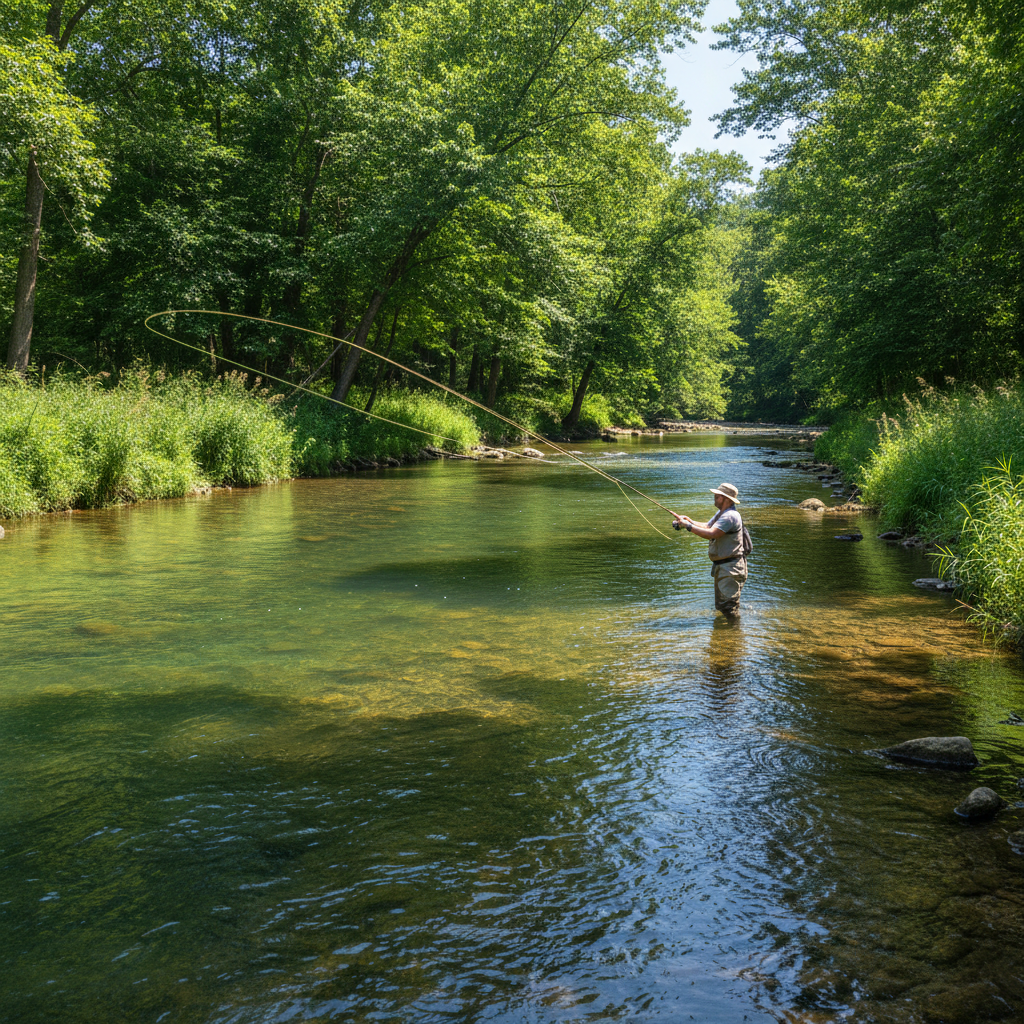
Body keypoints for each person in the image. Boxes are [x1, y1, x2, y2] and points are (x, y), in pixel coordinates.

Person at [672, 483, 747, 618]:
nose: (714, 497)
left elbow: (711, 533)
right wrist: (689, 521)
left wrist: (688, 526)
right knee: (722, 607)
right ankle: (728, 637)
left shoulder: (730, 516)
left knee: (728, 609)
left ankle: (734, 635)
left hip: (730, 568)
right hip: (725, 567)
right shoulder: (722, 513)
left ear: (727, 499)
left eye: (717, 496)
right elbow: (707, 526)